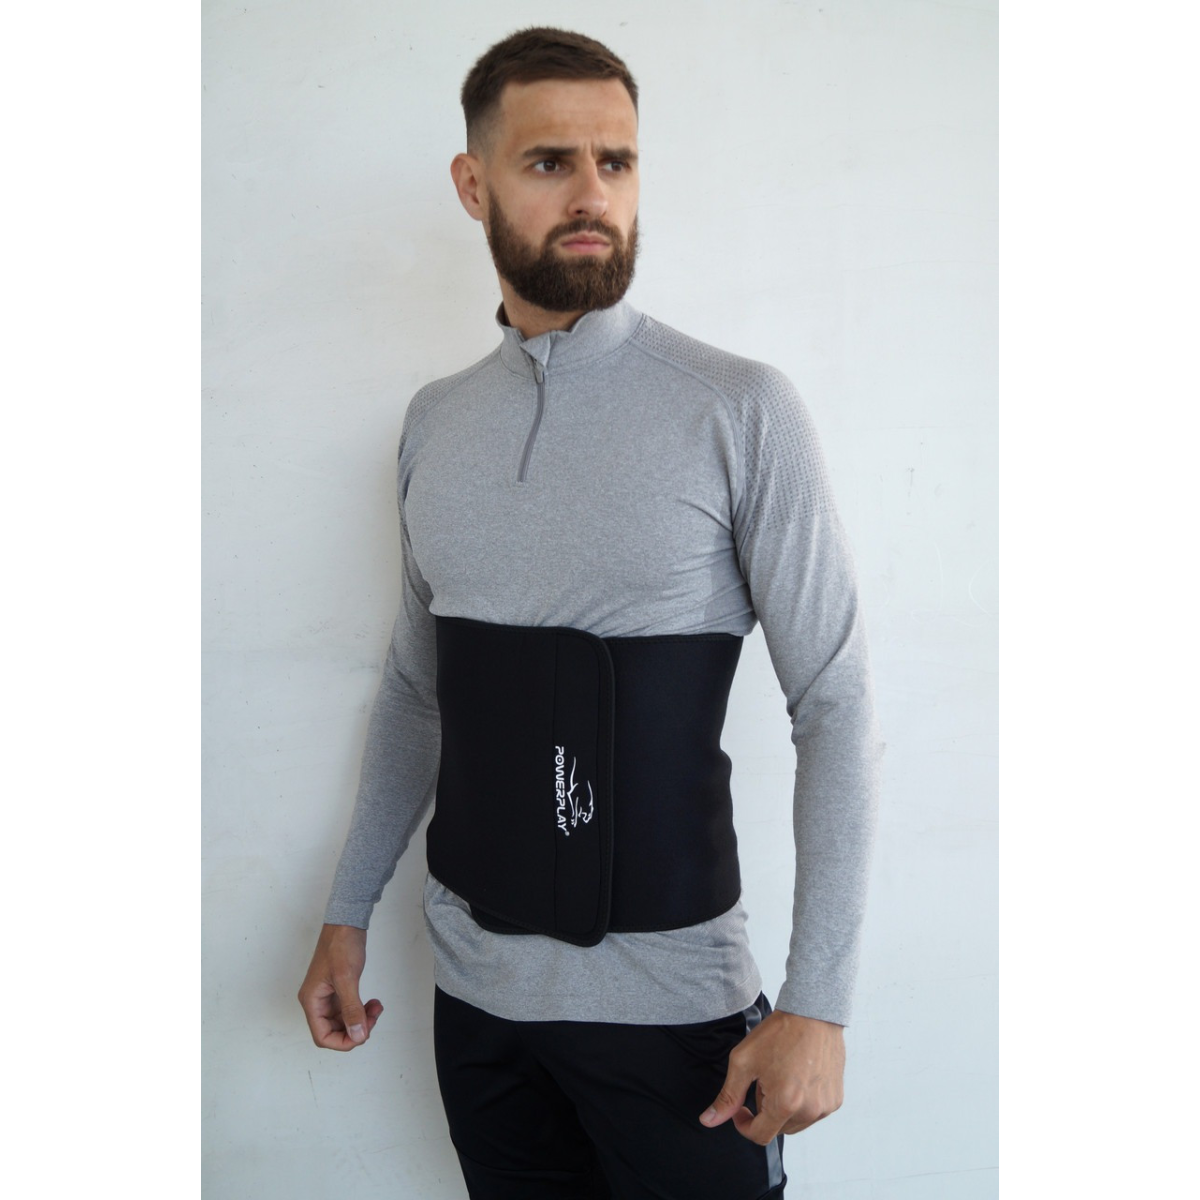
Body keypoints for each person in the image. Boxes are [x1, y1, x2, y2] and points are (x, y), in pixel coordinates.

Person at [298, 26, 881, 1200]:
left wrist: (819, 1003)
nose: (591, 195)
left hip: (679, 1021)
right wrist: (346, 909)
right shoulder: (436, 425)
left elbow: (835, 701)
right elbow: (417, 688)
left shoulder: (738, 410)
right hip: (478, 1011)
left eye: (616, 162)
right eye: (549, 162)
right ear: (474, 185)